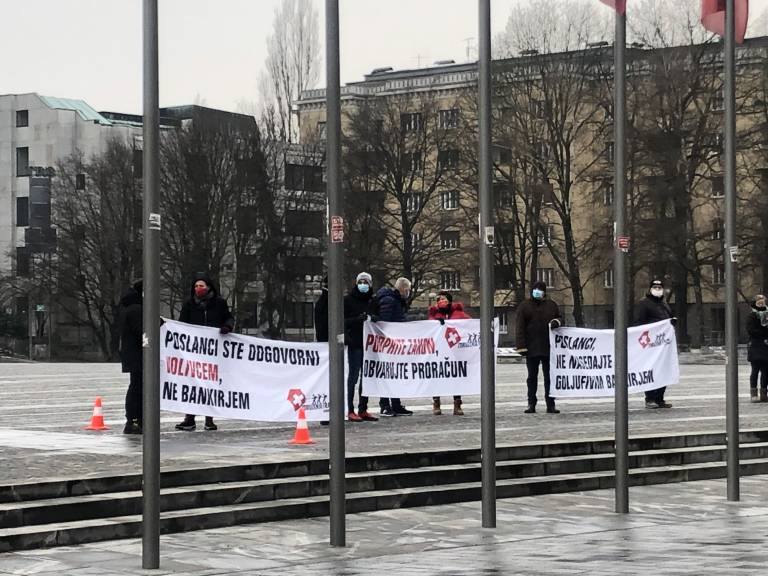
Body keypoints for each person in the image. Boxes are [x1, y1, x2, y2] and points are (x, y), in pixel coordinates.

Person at [175, 273, 235, 431]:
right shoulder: (189, 304)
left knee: (210, 384)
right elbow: (182, 324)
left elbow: (228, 318)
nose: (198, 289)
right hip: (193, 351)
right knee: (192, 384)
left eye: (201, 286)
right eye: (196, 286)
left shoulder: (219, 303)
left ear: (208, 287)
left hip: (213, 352)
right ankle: (190, 419)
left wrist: (227, 327)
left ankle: (209, 419)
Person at [515, 280, 562, 414]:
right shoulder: (524, 306)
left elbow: (560, 318)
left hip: (548, 347)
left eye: (540, 290)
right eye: (535, 289)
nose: (537, 292)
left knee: (549, 377)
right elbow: (519, 327)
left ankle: (550, 404)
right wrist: (521, 346)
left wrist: (556, 322)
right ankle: (531, 403)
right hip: (531, 348)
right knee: (532, 378)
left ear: (544, 292)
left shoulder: (551, 305)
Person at [428, 291, 471, 416]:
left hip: (455, 352)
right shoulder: (434, 314)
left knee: (456, 377)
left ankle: (457, 404)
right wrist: (436, 322)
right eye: (439, 299)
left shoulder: (459, 314)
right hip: (439, 351)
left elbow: (470, 325)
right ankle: (436, 403)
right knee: (437, 376)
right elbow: (429, 328)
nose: (441, 301)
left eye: (444, 299)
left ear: (450, 301)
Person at [344, 272, 379, 422]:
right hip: (355, 342)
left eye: (366, 282)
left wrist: (374, 318)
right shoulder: (348, 300)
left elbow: (380, 318)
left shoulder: (373, 300)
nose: (363, 285)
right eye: (361, 282)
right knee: (353, 376)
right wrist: (357, 319)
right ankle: (350, 409)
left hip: (369, 345)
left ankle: (363, 408)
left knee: (367, 377)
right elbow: (343, 320)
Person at [376, 277, 414, 417]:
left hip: (394, 344)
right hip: (388, 344)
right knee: (387, 374)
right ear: (403, 288)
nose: (408, 292)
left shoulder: (396, 300)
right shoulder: (390, 300)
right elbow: (385, 323)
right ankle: (385, 405)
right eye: (408, 289)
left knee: (394, 374)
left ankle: (396, 404)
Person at [635, 279, 674, 409]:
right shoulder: (644, 304)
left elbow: (668, 318)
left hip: (663, 344)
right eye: (655, 287)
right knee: (651, 370)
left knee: (664, 370)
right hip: (650, 344)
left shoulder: (664, 304)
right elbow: (639, 322)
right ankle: (650, 398)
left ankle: (659, 398)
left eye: (659, 287)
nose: (657, 289)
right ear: (650, 289)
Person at [119, 280, 143, 435]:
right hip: (138, 355)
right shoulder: (136, 309)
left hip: (133, 354)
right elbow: (142, 331)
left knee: (137, 386)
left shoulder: (131, 307)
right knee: (137, 388)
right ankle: (133, 420)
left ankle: (136, 419)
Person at [747, 294, 768, 403]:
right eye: (759, 303)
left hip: (765, 346)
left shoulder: (767, 314)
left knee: (766, 371)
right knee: (755, 370)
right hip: (755, 346)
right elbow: (751, 331)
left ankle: (764, 394)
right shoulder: (752, 316)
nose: (761, 305)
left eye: (763, 303)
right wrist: (764, 334)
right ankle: (754, 394)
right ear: (754, 304)